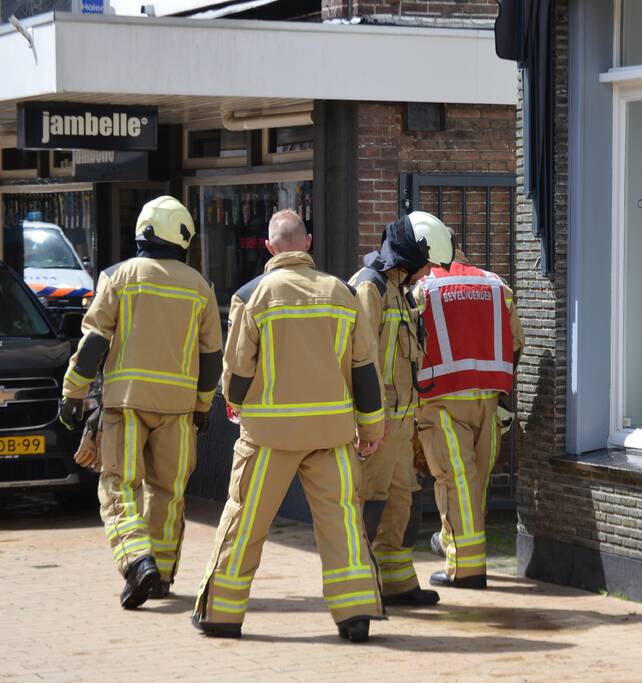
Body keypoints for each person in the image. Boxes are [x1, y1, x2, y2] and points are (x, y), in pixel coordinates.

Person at [192, 210, 387, 642]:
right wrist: (371, 430)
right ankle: (355, 613)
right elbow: (365, 370)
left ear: (269, 247)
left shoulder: (252, 295)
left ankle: (222, 614)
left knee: (245, 521)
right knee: (342, 524)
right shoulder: (342, 293)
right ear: (308, 243)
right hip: (332, 436)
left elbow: (238, 369)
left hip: (268, 437)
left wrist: (237, 404)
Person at [58, 196, 222, 608]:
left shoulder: (120, 277)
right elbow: (210, 361)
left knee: (119, 486)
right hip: (179, 411)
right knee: (169, 492)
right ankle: (162, 575)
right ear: (183, 237)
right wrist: (202, 408)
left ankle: (137, 561)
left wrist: (73, 395)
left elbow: (94, 343)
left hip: (126, 405)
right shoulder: (201, 288)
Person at [349, 211, 454, 606]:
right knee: (368, 499)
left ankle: (395, 582)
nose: (427, 271)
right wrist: (369, 424)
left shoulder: (396, 289)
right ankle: (357, 587)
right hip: (380, 424)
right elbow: (362, 361)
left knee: (400, 499)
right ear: (410, 255)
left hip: (400, 419)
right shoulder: (370, 288)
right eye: (425, 263)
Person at [415, 247, 525, 589]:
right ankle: (454, 547)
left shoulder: (421, 288)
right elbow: (517, 343)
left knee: (455, 481)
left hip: (442, 399)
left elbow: (407, 344)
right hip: (488, 400)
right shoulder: (496, 285)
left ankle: (465, 569)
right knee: (473, 481)